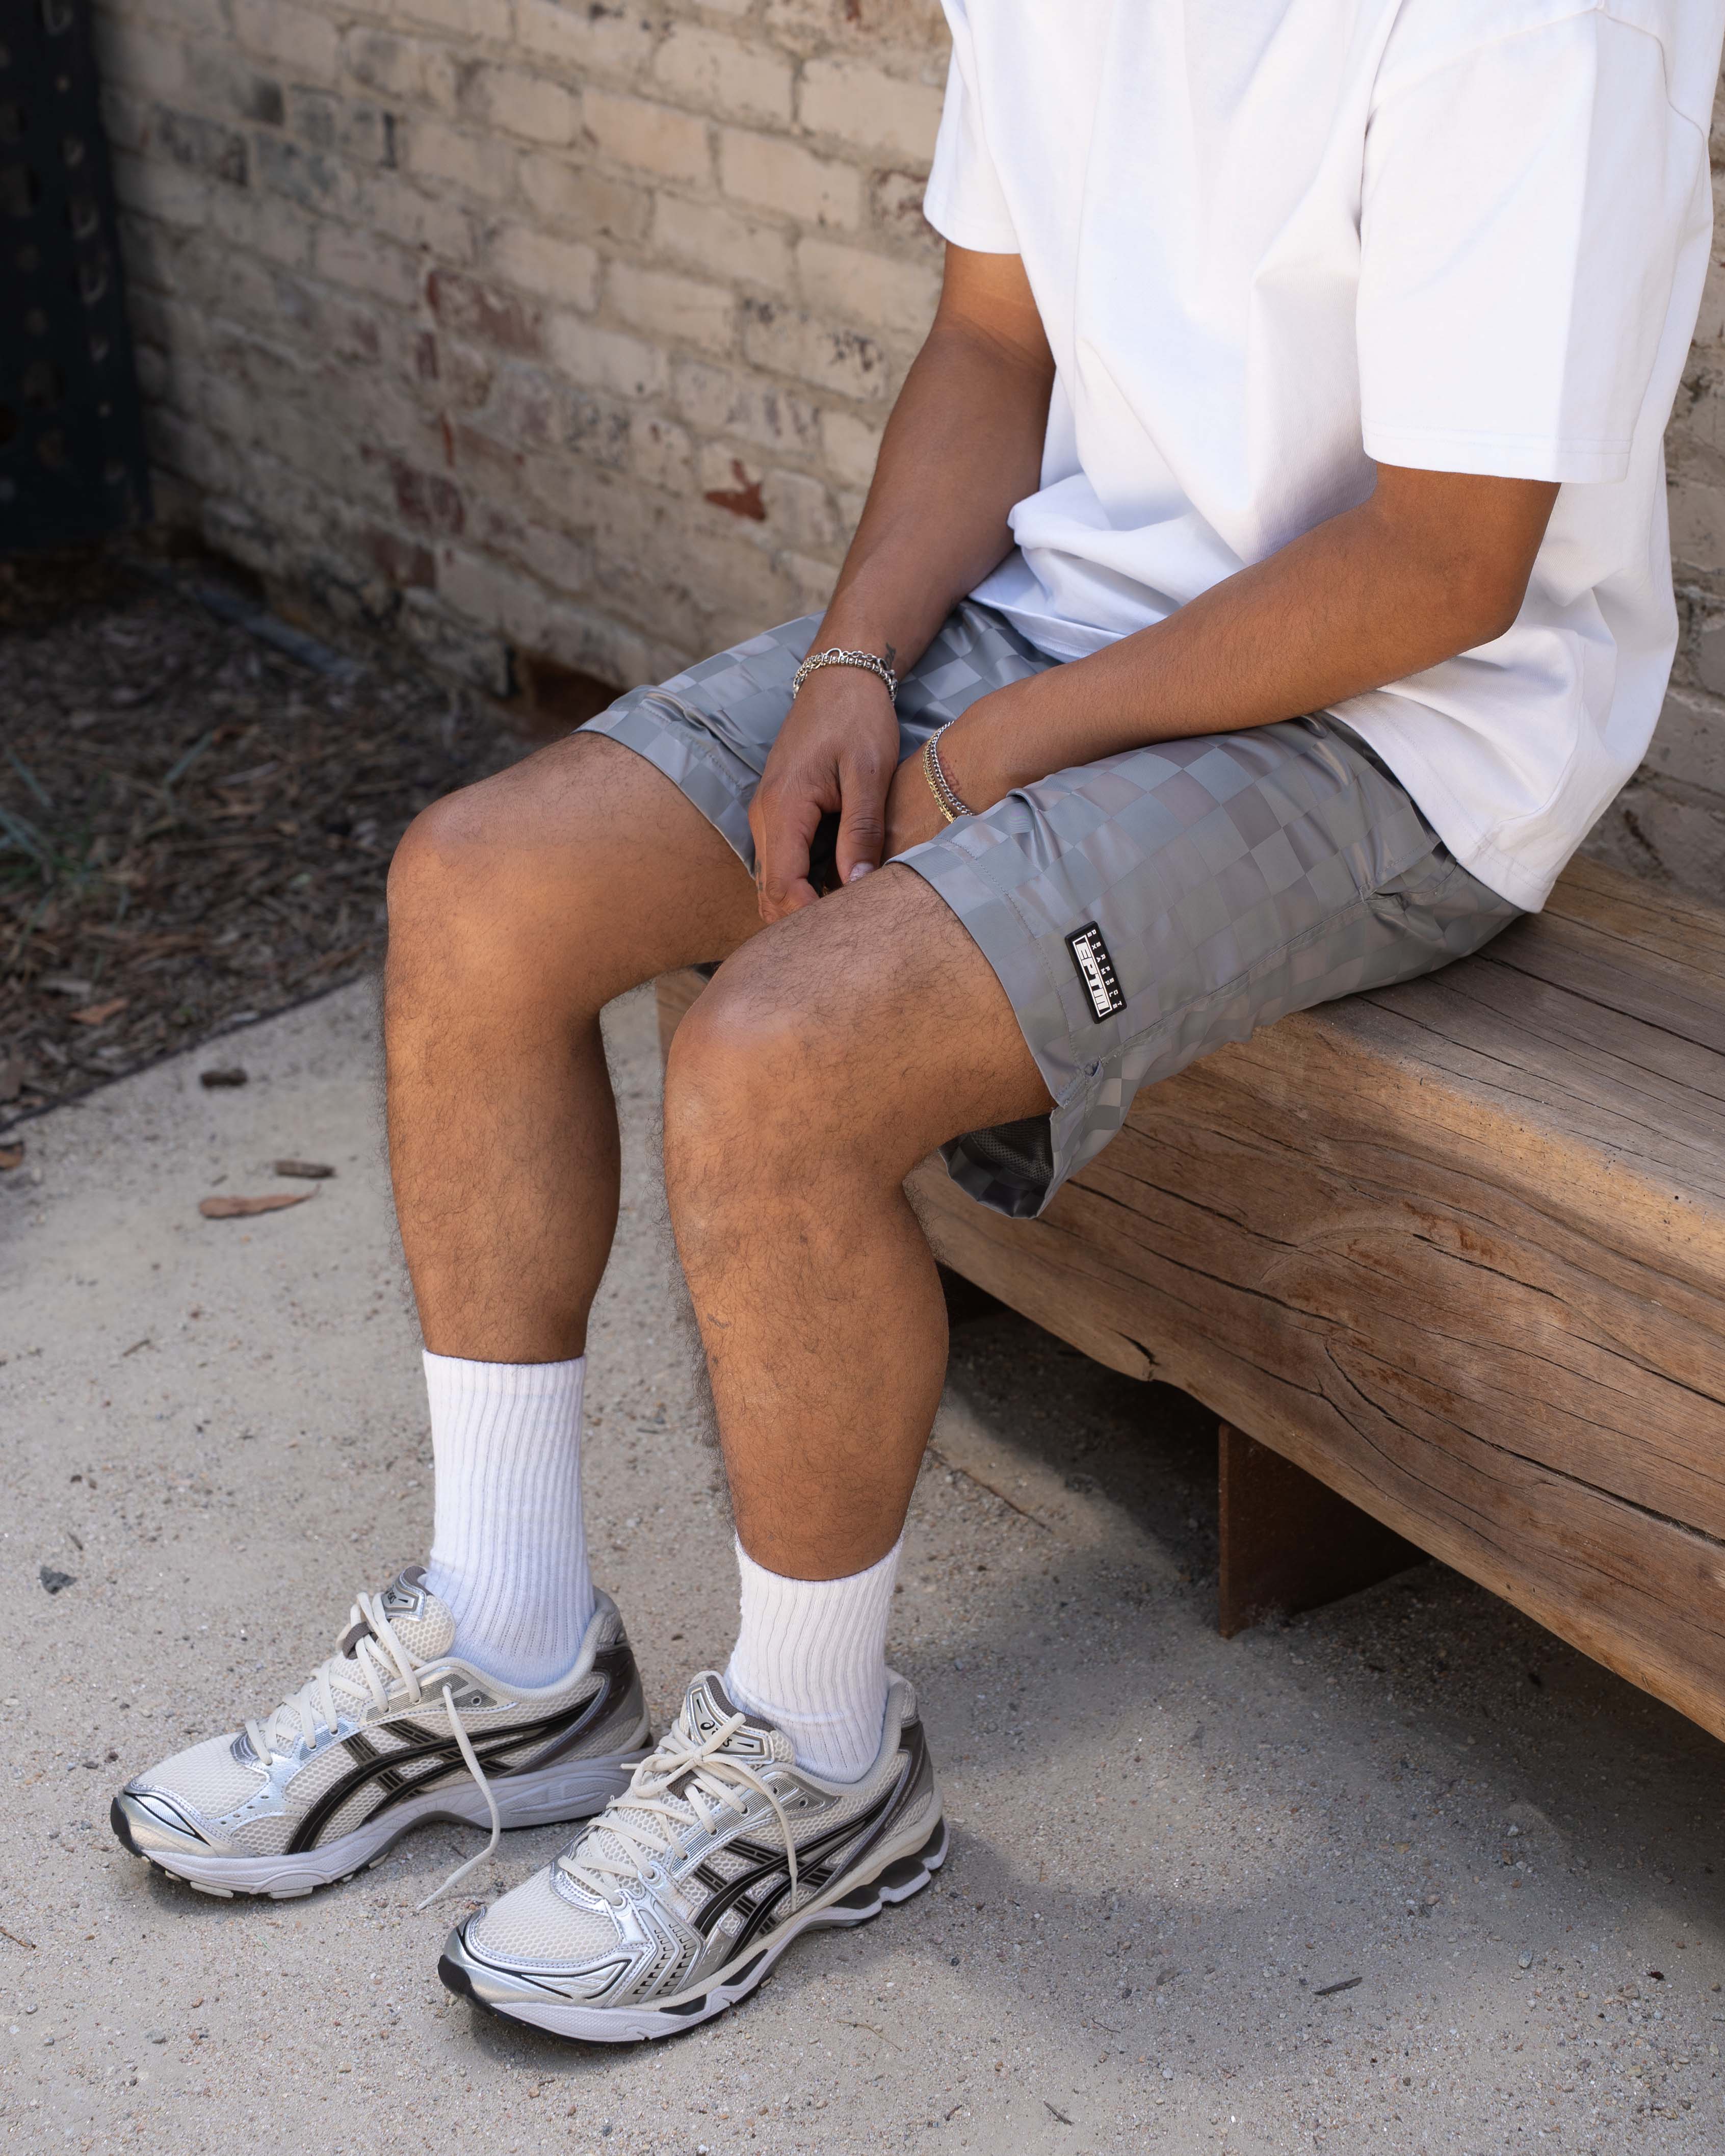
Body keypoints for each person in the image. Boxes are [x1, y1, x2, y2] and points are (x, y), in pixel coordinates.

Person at [112, 0, 1722, 2043]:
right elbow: (993, 339)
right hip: (1058, 624)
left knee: (781, 1053)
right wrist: (861, 664)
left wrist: (1004, 753)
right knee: (477, 892)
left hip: (1401, 736)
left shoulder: (1538, 26)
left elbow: (1450, 559)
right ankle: (512, 1644)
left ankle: (818, 1760)